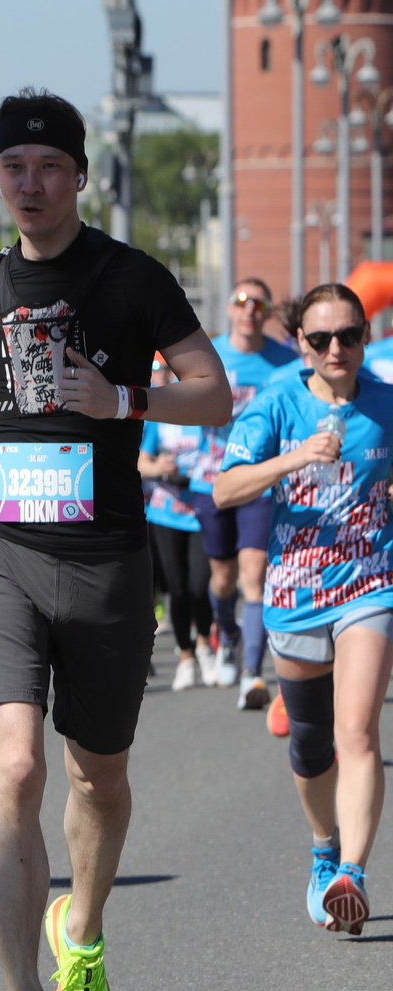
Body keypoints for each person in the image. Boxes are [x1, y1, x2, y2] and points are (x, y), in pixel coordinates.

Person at [0, 90, 229, 991]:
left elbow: (215, 396)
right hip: (2, 551)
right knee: (13, 767)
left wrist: (123, 397)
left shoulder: (131, 279)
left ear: (78, 176)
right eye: (13, 166)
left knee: (97, 775)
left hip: (105, 557)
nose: (29, 182)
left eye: (48, 166)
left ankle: (81, 933)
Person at [216, 284, 390, 937]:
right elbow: (226, 487)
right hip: (295, 591)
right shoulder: (277, 403)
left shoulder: (386, 402)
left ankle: (354, 871)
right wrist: (296, 455)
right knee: (312, 744)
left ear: (364, 336)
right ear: (301, 345)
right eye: (321, 340)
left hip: (371, 583)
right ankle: (324, 848)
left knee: (359, 732)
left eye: (348, 335)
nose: (336, 348)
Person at [206, 278, 302, 714]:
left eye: (258, 303)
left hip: (263, 480)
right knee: (222, 579)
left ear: (265, 312)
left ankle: (252, 673)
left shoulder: (286, 361)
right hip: (213, 477)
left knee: (253, 572)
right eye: (241, 300)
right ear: (230, 308)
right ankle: (226, 633)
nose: (249, 309)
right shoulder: (211, 354)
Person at [138, 367, 217, 691]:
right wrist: (159, 467)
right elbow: (142, 461)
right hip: (166, 512)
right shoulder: (160, 414)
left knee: (201, 586)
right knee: (179, 590)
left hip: (201, 511)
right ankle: (186, 657)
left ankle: (204, 646)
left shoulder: (207, 411)